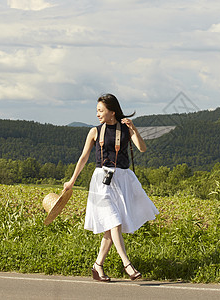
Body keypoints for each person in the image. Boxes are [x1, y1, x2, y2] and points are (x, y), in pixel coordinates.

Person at [63, 93, 159, 282]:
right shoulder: (94, 131)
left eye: (101, 110)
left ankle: (97, 266)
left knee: (110, 227)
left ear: (111, 111)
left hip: (122, 179)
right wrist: (72, 180)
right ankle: (127, 264)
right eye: (97, 111)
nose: (97, 114)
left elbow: (142, 148)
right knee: (114, 221)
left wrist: (134, 129)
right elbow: (83, 158)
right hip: (101, 180)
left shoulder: (125, 129)